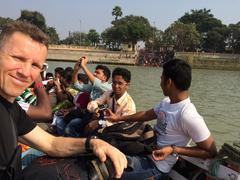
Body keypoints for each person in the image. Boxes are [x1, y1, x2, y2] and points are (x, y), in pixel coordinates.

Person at [0, 21, 127, 179]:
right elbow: (76, 86)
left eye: (35, 65)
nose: (25, 72)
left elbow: (51, 144)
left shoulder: (12, 109)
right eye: (18, 58)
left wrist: (94, 143)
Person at [106, 59, 217, 180]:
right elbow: (145, 115)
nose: (160, 83)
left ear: (168, 82)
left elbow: (211, 151)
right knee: (103, 150)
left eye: (161, 78)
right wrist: (118, 118)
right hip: (144, 151)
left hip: (155, 167)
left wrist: (174, 149)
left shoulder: (188, 115)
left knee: (104, 170)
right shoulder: (166, 102)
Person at [66, 67, 136, 137]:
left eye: (120, 83)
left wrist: (100, 123)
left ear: (127, 85)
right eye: (114, 82)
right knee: (73, 126)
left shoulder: (129, 104)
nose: (116, 86)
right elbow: (94, 103)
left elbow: (124, 126)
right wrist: (96, 110)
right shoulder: (109, 93)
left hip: (116, 134)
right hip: (104, 125)